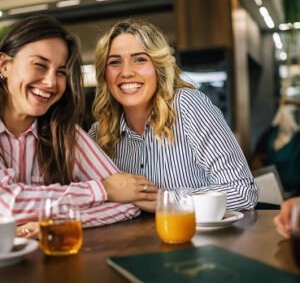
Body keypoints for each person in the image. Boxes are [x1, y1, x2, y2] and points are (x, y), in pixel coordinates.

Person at [0, 15, 157, 238]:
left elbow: (131, 200)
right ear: (4, 65)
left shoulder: (64, 132)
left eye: (61, 72)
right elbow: (5, 203)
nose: (51, 82)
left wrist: (56, 223)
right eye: (39, 65)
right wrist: (102, 190)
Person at [89, 20, 258, 212]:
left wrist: (165, 200)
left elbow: (243, 192)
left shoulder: (187, 105)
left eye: (140, 59)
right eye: (115, 62)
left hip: (198, 239)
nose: (126, 72)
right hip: (134, 240)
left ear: (158, 67)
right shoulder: (99, 133)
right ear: (104, 74)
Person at [252, 103, 300, 196]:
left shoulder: (297, 139)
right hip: (272, 185)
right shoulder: (270, 134)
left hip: (295, 188)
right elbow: (258, 154)